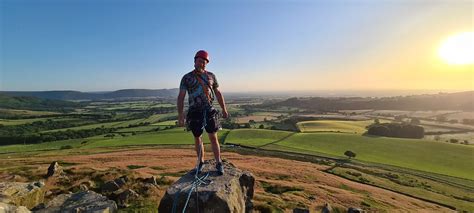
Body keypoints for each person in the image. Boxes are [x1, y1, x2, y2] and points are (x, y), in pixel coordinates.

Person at [177, 50, 229, 175]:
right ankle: (200, 162)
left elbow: (218, 93)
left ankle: (218, 162)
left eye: (204, 62)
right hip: (195, 111)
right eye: (200, 61)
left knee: (213, 137)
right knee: (197, 137)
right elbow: (181, 97)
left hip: (209, 110)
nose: (202, 64)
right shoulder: (186, 78)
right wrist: (180, 115)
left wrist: (224, 109)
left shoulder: (211, 76)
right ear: (195, 61)